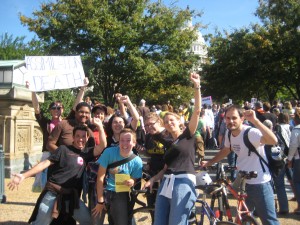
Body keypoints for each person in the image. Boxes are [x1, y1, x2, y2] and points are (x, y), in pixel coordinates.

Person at [8, 123, 107, 225]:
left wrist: (99, 126)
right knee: (41, 223)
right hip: (52, 193)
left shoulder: (86, 153)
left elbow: (103, 145)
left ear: (87, 138)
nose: (80, 139)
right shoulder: (63, 149)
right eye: (77, 136)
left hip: (71, 197)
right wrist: (23, 175)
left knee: (88, 221)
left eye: (83, 136)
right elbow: (44, 164)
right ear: (73, 137)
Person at [201, 105, 279, 225]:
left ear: (242, 118)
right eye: (228, 118)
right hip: (243, 183)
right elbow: (226, 150)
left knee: (269, 221)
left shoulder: (251, 133)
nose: (231, 121)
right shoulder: (228, 133)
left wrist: (255, 121)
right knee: (242, 220)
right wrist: (210, 162)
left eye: (234, 118)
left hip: (260, 183)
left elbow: (273, 141)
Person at [144, 72, 201, 225]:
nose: (169, 122)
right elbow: (167, 167)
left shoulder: (188, 135)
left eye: (172, 120)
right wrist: (154, 179)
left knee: (177, 222)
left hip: (183, 180)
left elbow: (196, 111)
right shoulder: (170, 143)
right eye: (166, 121)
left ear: (179, 121)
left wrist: (197, 87)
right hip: (166, 182)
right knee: (159, 221)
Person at [92, 128, 143, 225]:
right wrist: (100, 200)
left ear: (134, 143)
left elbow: (135, 179)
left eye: (128, 140)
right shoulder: (109, 152)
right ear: (118, 142)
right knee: (96, 221)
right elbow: (100, 177)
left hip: (120, 194)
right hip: (102, 191)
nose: (125, 144)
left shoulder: (137, 161)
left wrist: (132, 181)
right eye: (122, 140)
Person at [263, 120, 289, 214]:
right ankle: (284, 207)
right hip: (279, 163)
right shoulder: (277, 135)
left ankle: (271, 208)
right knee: (280, 186)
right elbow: (284, 146)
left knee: (269, 187)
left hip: (268, 164)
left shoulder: (263, 137)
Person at [287, 107, 300, 214]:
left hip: (298, 158)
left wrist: (289, 158)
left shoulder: (296, 129)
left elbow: (293, 145)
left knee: (297, 181)